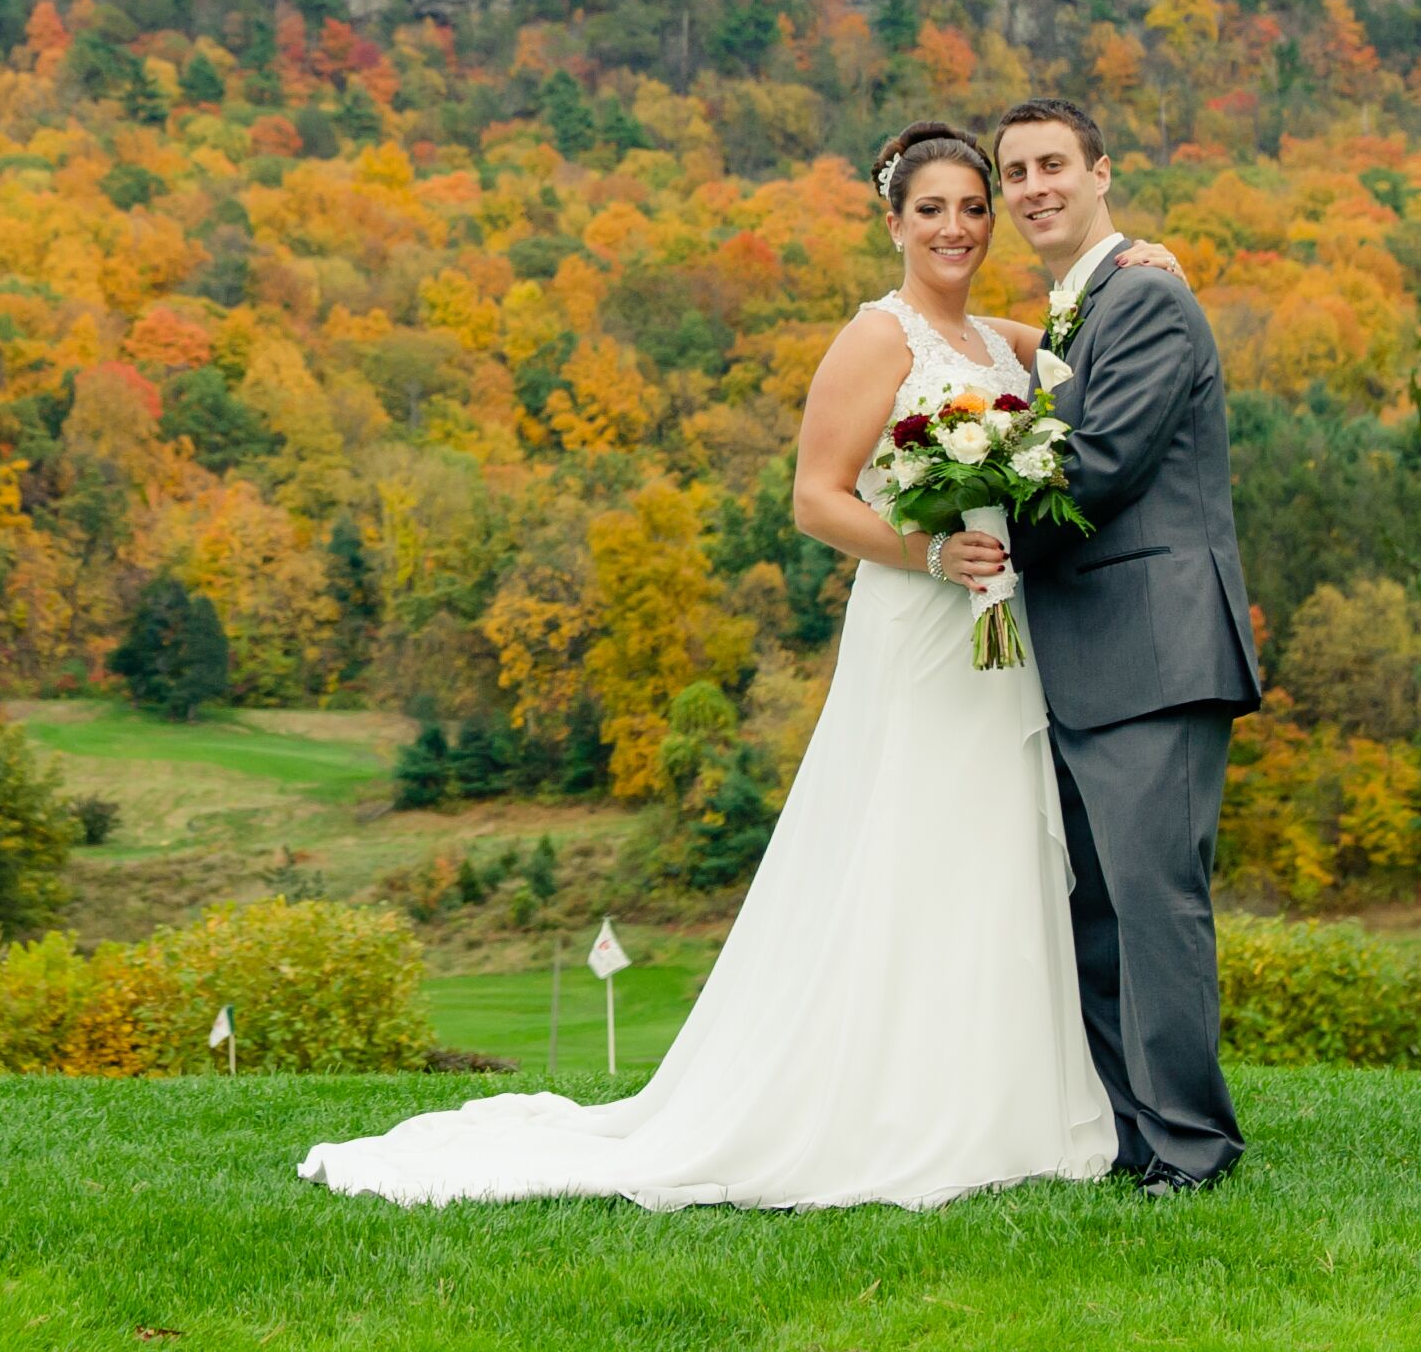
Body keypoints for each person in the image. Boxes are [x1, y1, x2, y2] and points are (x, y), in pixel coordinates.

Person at [297, 120, 1181, 1212]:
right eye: (933, 209)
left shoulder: (1006, 341)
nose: (957, 226)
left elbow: (1087, 325)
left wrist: (1147, 256)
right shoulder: (877, 335)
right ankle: (890, 1102)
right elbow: (816, 497)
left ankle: (1015, 1100)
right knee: (909, 842)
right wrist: (932, 552)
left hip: (1003, 639)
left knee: (999, 845)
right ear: (894, 220)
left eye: (973, 206)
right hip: (922, 623)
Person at [991, 96, 1260, 1195]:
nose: (1033, 185)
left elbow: (1097, 466)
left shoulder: (1143, 297)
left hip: (1154, 651)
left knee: (1156, 912)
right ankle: (1138, 1137)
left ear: (1102, 171)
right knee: (1099, 918)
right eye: (1016, 172)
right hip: (1089, 658)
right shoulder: (1077, 309)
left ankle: (1194, 1147)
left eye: (1054, 163)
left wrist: (959, 506)